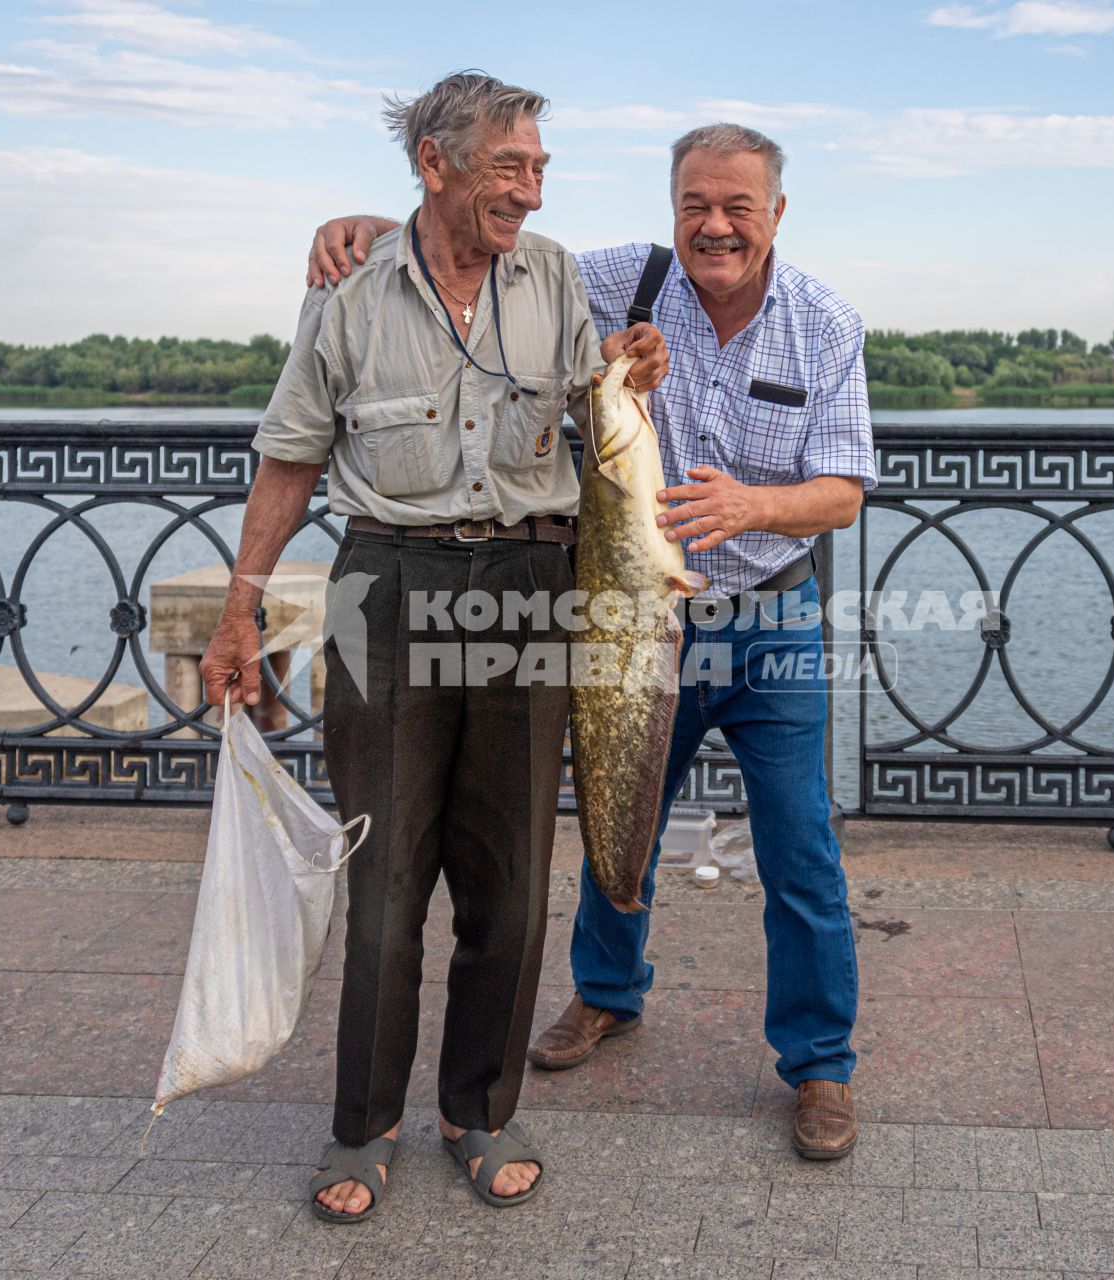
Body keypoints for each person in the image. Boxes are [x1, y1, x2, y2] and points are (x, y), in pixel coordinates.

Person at [307, 122, 875, 1160]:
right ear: (673, 208)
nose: (715, 226)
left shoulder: (826, 324)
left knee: (800, 848)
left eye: (738, 208)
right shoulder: (618, 277)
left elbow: (841, 494)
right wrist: (366, 227)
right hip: (624, 613)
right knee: (621, 811)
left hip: (769, 619)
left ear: (776, 214)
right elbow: (481, 234)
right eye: (696, 204)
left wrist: (752, 504)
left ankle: (821, 1064)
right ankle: (607, 993)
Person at [201, 70, 665, 1223]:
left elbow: (597, 405)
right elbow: (291, 456)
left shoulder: (552, 276)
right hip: (387, 582)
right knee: (386, 875)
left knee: (508, 881)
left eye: (542, 168)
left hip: (528, 581)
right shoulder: (348, 290)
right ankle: (364, 1121)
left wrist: (632, 373)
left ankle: (478, 1107)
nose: (531, 187)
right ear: (436, 164)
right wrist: (238, 607)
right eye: (511, 165)